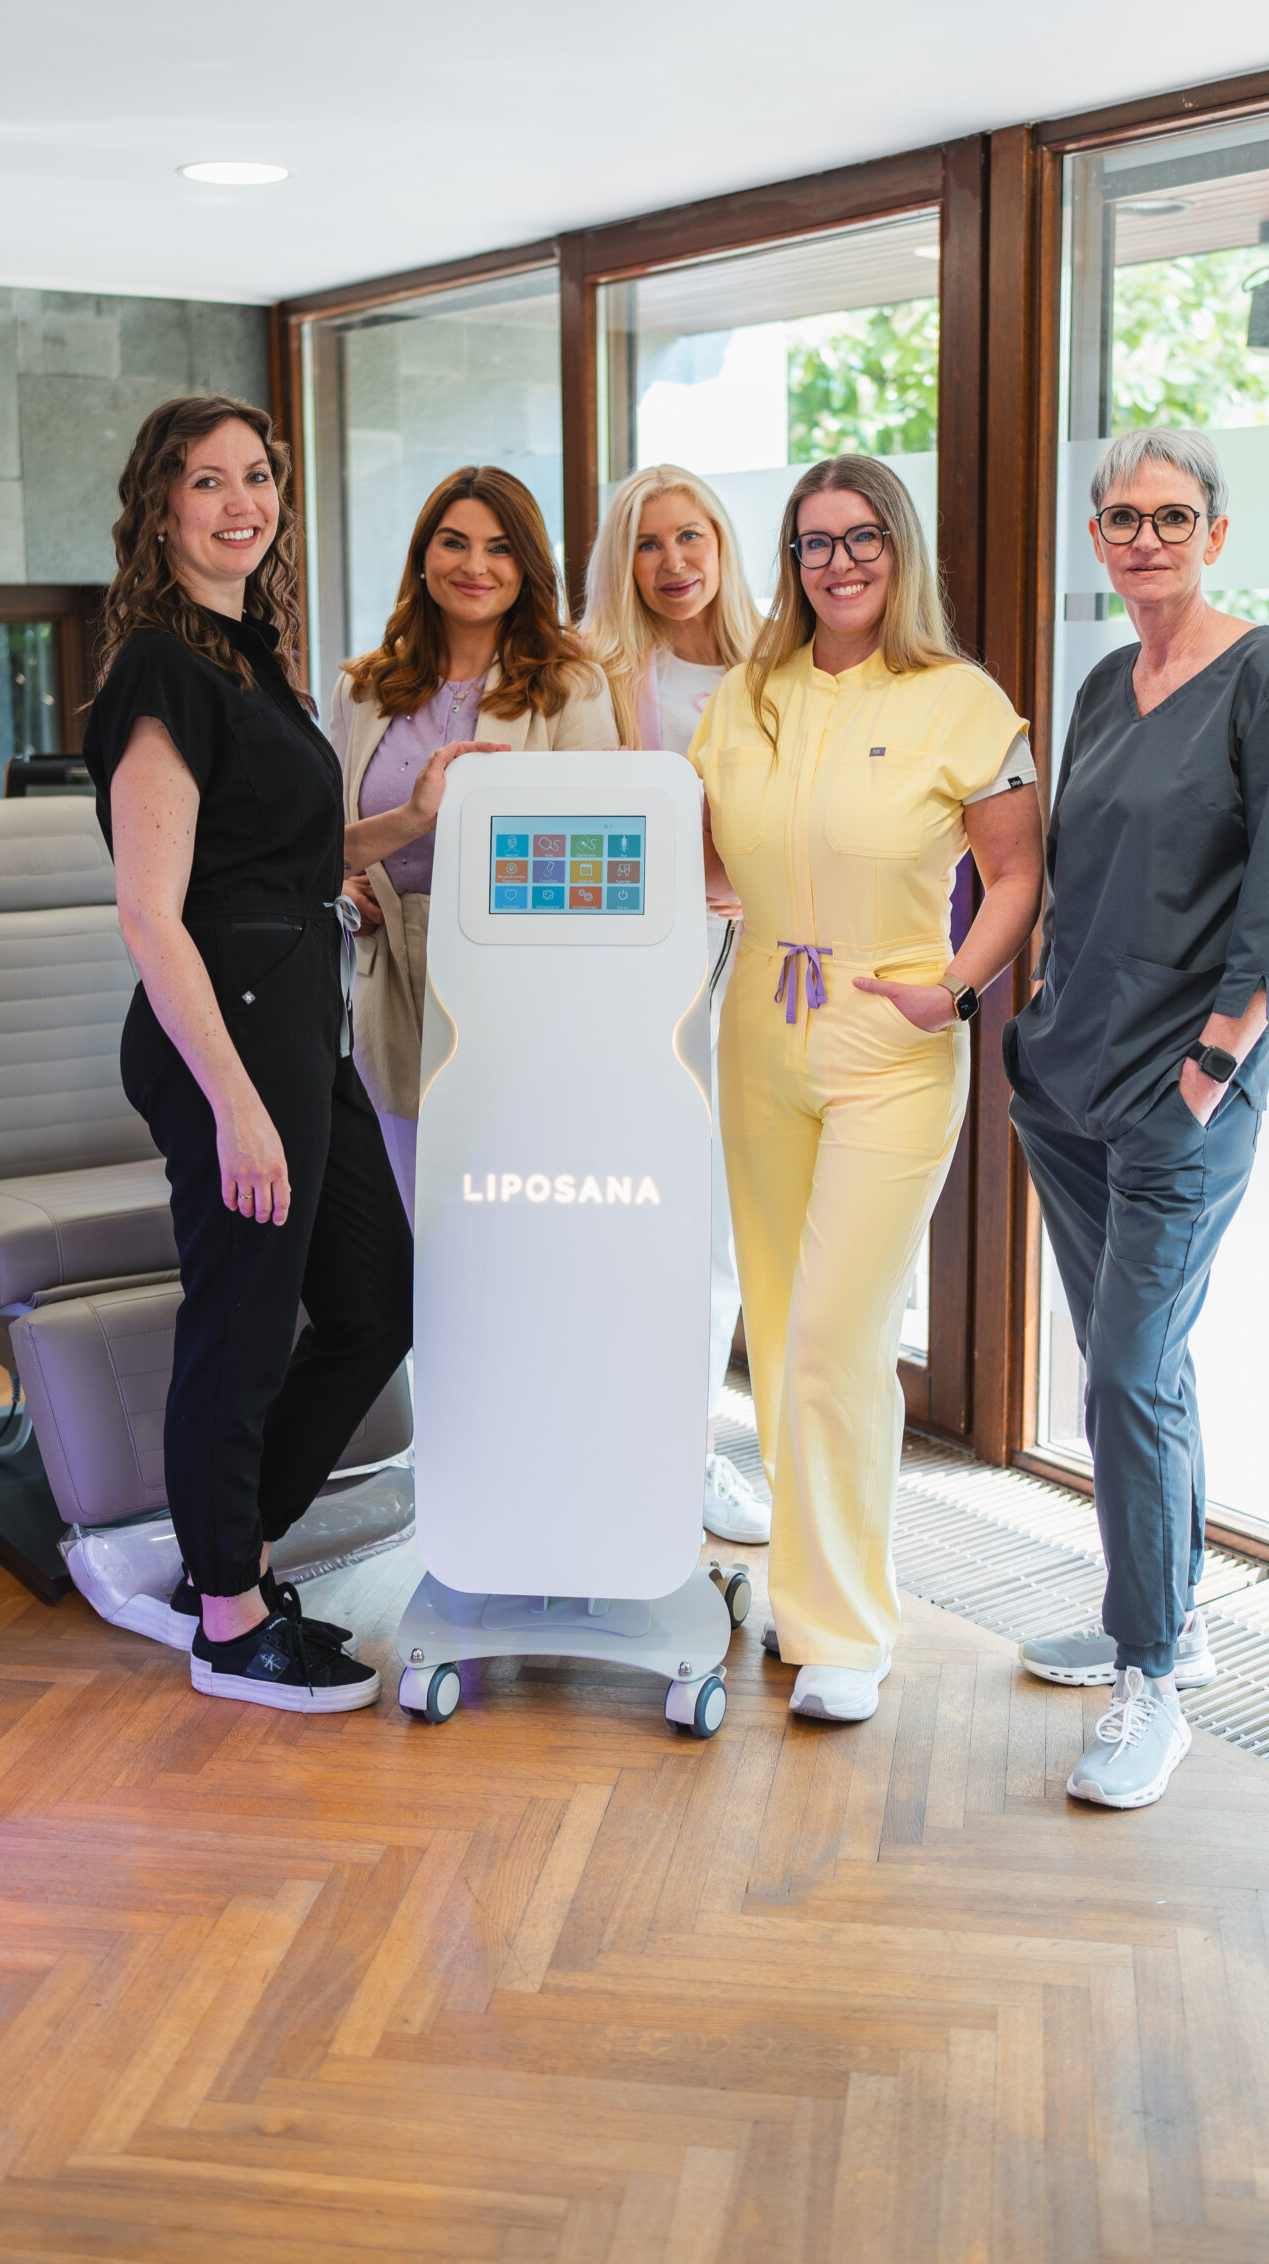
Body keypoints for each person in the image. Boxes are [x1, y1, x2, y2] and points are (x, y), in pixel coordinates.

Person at [1009, 426, 1269, 1810]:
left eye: (1172, 515)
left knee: (1126, 1378)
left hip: (1179, 1100)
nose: (1145, 538)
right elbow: (1066, 870)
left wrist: (1211, 1066)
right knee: (1129, 1366)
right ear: (1096, 538)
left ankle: (1149, 1680)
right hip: (1067, 1083)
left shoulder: (1268, 675)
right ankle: (1168, 1614)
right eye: (1122, 519)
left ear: (1215, 532)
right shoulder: (1103, 683)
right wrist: (1036, 1013)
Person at [692, 454, 1043, 1722]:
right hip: (757, 1029)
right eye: (814, 542)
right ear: (790, 561)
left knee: (839, 1336)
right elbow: (709, 860)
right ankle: (803, 1595)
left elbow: (1016, 874)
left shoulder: (961, 700)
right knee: (782, 1328)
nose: (837, 563)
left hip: (892, 1040)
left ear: (900, 550)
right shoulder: (748, 694)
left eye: (861, 539)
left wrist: (953, 990)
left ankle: (846, 1628)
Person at [84, 394, 412, 1715]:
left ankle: (230, 1552)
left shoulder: (250, 659)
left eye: (258, 476)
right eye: (208, 480)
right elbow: (150, 912)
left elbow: (284, 855)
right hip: (224, 1034)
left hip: (295, 1016)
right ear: (161, 508)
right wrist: (234, 1102)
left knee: (375, 1297)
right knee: (243, 1322)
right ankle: (226, 1619)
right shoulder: (161, 669)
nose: (242, 502)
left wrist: (406, 824)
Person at [333, 466, 617, 1218]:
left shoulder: (570, 685)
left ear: (528, 566)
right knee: (411, 1220)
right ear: (423, 557)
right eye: (454, 542)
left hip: (516, 990)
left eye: (500, 547)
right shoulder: (362, 689)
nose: (475, 566)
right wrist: (337, 882)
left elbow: (593, 856)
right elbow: (320, 837)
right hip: (389, 980)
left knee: (506, 1221)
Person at [582, 463, 770, 1547]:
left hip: (767, 957)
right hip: (648, 965)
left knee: (723, 1224)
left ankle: (689, 1451)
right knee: (637, 1210)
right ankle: (628, 1442)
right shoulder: (599, 676)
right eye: (648, 543)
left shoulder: (779, 664)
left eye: (690, 536)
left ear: (722, 543)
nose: (673, 562)